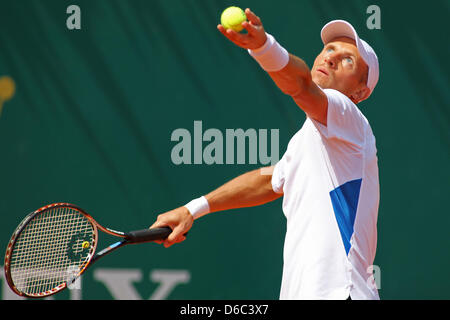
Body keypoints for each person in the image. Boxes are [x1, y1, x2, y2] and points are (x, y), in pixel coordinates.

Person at [151, 8, 380, 300]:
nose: (331, 57)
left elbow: (299, 85)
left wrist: (263, 47)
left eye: (348, 60)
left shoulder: (350, 118)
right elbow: (270, 180)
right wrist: (192, 209)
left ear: (360, 92)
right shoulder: (307, 141)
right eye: (329, 48)